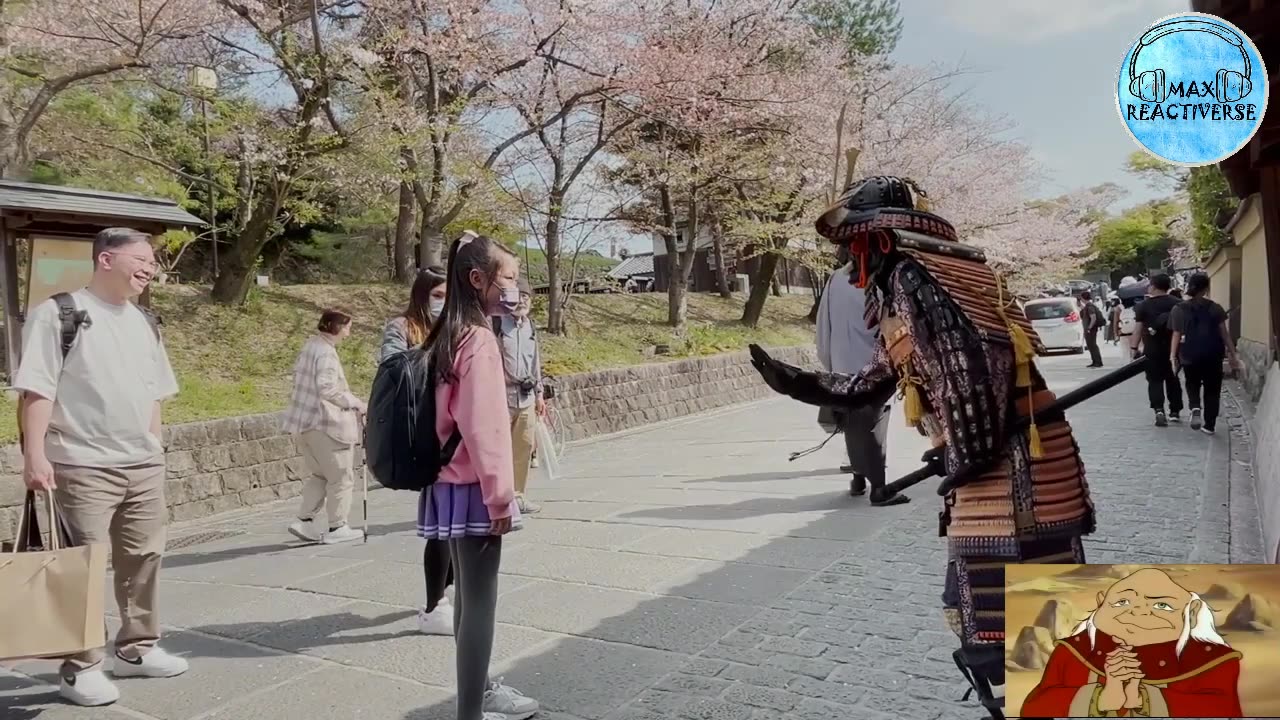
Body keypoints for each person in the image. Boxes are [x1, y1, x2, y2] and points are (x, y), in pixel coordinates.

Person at [749, 176, 1094, 720]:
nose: (846, 255)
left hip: (1010, 464)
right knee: (1003, 604)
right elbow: (876, 380)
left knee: (1012, 609)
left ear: (877, 238)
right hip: (1001, 455)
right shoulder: (925, 281)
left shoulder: (916, 277)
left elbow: (975, 368)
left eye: (851, 243)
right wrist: (798, 382)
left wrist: (968, 452)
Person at [14, 227, 187, 706]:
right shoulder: (60, 314)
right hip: (81, 463)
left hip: (142, 462)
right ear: (106, 259)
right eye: (142, 259)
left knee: (144, 558)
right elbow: (38, 389)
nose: (150, 268)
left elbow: (155, 390)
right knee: (84, 567)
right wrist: (34, 455)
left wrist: (154, 444)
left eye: (153, 262)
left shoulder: (146, 321)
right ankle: (81, 666)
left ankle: (137, 647)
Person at [419, 232, 538, 720]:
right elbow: (486, 427)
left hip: (446, 482)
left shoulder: (446, 332)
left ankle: (477, 697)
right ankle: (472, 709)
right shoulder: (481, 341)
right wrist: (501, 496)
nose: (513, 286)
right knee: (480, 604)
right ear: (477, 279)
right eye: (507, 277)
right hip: (475, 487)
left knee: (467, 597)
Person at [1020, 568, 1242, 717]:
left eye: (1162, 606)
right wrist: (1102, 698)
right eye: (1122, 602)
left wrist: (1143, 698)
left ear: (1191, 613)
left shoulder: (1213, 660)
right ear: (1101, 604)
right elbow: (1033, 709)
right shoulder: (1073, 652)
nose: (1138, 613)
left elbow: (1222, 709)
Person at [376, 266, 456, 635]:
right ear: (422, 294)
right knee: (441, 525)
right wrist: (431, 350)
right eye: (436, 295)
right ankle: (434, 603)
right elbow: (392, 369)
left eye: (447, 295)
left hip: (457, 430)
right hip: (425, 431)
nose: (442, 302)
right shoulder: (402, 327)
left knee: (462, 521)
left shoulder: (460, 325)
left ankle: (450, 590)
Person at [815, 246, 898, 505]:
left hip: (841, 360)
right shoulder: (878, 278)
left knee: (852, 422)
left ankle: (858, 478)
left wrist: (828, 360)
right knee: (875, 423)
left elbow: (823, 324)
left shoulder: (834, 280)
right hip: (873, 362)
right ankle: (878, 487)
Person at [281, 308, 366, 545]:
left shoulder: (310, 347)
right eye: (348, 327)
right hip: (326, 425)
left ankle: (304, 521)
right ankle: (337, 525)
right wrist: (356, 404)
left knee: (320, 475)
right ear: (337, 327)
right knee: (341, 476)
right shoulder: (326, 353)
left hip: (304, 424)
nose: (349, 333)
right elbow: (327, 388)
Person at [493, 277, 545, 515]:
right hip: (500, 398)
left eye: (526, 297)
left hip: (526, 397)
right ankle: (498, 498)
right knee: (499, 450)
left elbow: (536, 363)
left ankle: (518, 497)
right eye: (519, 296)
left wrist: (540, 394)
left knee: (523, 449)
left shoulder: (530, 326)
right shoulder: (496, 324)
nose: (522, 301)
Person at [1170, 272, 1240, 435]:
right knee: (1212, 389)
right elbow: (1224, 333)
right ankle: (1209, 425)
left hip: (1189, 352)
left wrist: (1173, 355)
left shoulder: (1179, 309)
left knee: (1191, 382)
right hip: (1213, 353)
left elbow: (1176, 334)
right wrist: (1233, 353)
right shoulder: (1215, 308)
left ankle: (1195, 406)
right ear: (1207, 287)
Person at [1131, 274, 1183, 427]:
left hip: (1152, 348)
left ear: (1153, 286)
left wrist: (1134, 348)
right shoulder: (1178, 304)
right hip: (1174, 348)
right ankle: (1175, 411)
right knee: (1173, 378)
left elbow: (1138, 329)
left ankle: (1159, 410)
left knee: (1154, 380)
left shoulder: (1143, 306)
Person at [377, 265, 447, 362]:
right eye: (437, 295)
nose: (444, 302)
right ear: (421, 296)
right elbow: (390, 363)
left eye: (448, 297)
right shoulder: (400, 326)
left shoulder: (454, 327)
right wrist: (428, 345)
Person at [1078, 291, 1104, 368]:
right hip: (1090, 328)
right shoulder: (1088, 306)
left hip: (1091, 329)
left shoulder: (1090, 306)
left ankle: (1097, 362)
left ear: (1083, 298)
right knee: (1090, 345)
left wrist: (1089, 327)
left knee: (1092, 345)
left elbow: (1093, 318)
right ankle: (1095, 361)